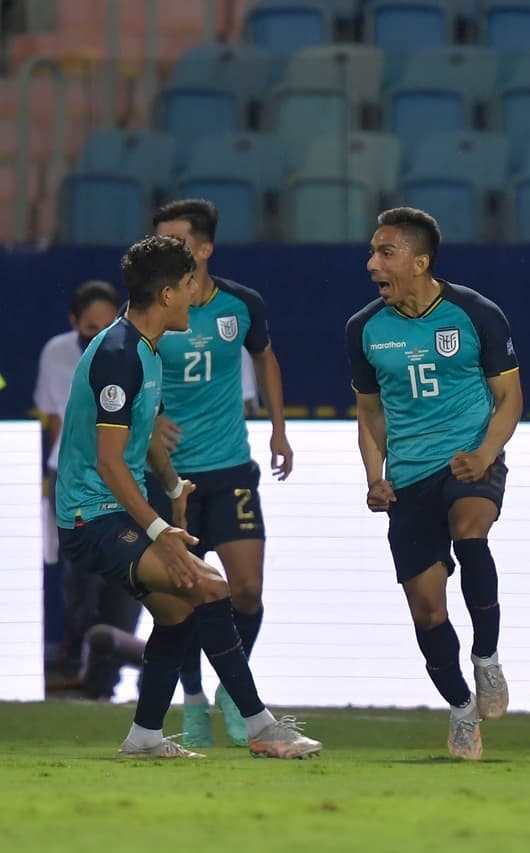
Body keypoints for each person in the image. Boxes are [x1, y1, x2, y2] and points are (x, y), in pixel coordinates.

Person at [55, 235, 321, 759]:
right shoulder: (118, 356)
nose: (198, 293)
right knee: (210, 586)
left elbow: (146, 435)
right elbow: (109, 464)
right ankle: (260, 725)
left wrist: (174, 487)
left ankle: (145, 737)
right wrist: (161, 531)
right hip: (91, 516)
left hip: (111, 511)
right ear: (170, 292)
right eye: (190, 283)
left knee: (177, 615)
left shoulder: (144, 348)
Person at [345, 207, 522, 760]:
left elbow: (509, 398)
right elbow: (370, 415)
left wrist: (485, 452)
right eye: (373, 252)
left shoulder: (476, 313)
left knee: (472, 533)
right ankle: (462, 708)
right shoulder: (364, 329)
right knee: (427, 611)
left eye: (386, 252)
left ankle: (487, 659)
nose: (373, 263)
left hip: (470, 460)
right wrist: (374, 477)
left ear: (420, 262)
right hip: (408, 478)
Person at [146, 199, 295, 749]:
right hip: (169, 477)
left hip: (231, 467)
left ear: (204, 250)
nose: (164, 250)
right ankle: (192, 700)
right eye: (157, 240)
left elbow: (266, 358)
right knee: (183, 596)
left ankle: (233, 689)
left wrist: (279, 428)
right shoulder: (149, 305)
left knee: (247, 590)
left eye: (176, 241)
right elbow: (125, 366)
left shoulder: (240, 304)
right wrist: (150, 417)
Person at [35, 280, 142, 699]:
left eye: (107, 322)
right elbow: (54, 420)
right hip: (73, 479)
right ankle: (79, 659)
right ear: (73, 323)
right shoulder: (56, 353)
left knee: (124, 579)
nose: (98, 331)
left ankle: (103, 678)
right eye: (88, 326)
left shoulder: (136, 349)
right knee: (79, 582)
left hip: (122, 474)